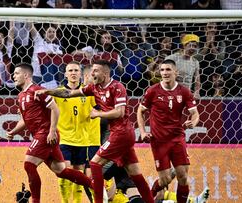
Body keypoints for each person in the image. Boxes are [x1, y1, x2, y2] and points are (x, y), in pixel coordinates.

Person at [35, 59, 154, 203]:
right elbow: (68, 93)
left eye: (95, 71)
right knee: (135, 173)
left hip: (122, 132)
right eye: (92, 71)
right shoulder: (93, 88)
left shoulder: (117, 87)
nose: (92, 73)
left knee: (95, 164)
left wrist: (98, 114)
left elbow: (120, 112)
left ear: (105, 73)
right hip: (118, 134)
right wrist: (46, 91)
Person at [5, 63, 93, 203]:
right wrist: (13, 131)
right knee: (61, 171)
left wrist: (51, 131)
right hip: (43, 136)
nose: (13, 76)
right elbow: (25, 120)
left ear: (26, 75)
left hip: (45, 134)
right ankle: (93, 185)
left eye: (16, 73)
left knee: (29, 164)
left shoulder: (38, 90)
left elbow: (55, 109)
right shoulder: (21, 96)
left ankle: (36, 201)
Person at [136, 59, 200, 203]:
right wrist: (142, 131)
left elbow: (195, 113)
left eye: (168, 70)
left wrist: (193, 123)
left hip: (177, 139)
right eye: (162, 70)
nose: (165, 73)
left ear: (175, 72)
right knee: (164, 180)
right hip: (159, 141)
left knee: (183, 176)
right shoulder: (152, 91)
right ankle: (148, 198)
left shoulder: (184, 91)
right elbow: (140, 111)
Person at [54, 61, 101, 203]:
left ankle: (77, 202)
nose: (73, 73)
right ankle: (65, 201)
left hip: (83, 139)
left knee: (79, 173)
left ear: (80, 74)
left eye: (76, 70)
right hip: (64, 138)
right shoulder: (58, 93)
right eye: (70, 70)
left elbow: (100, 107)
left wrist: (97, 112)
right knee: (64, 172)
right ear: (65, 74)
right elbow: (48, 108)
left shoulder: (88, 93)